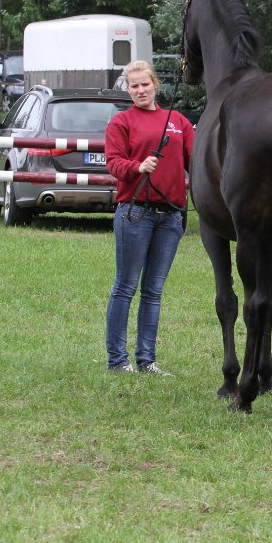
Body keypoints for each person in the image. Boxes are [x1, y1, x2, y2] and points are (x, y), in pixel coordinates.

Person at [103, 59, 195, 375]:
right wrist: (137, 167)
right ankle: (117, 360)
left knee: (153, 291)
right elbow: (113, 163)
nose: (140, 90)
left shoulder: (178, 122)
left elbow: (196, 162)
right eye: (134, 85)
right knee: (126, 286)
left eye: (145, 83)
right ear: (128, 90)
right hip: (134, 214)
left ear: (156, 84)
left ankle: (147, 360)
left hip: (171, 218)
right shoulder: (121, 123)